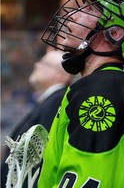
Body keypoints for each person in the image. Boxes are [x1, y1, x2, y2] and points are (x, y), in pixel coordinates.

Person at [38, 0, 124, 188]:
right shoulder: (117, 87)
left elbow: (90, 180)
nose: (73, 15)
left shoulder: (102, 92)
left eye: (88, 9)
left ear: (114, 33)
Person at [1, 50, 72, 187]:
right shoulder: (49, 100)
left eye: (44, 63)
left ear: (60, 74)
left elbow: (41, 154)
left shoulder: (58, 99)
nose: (36, 65)